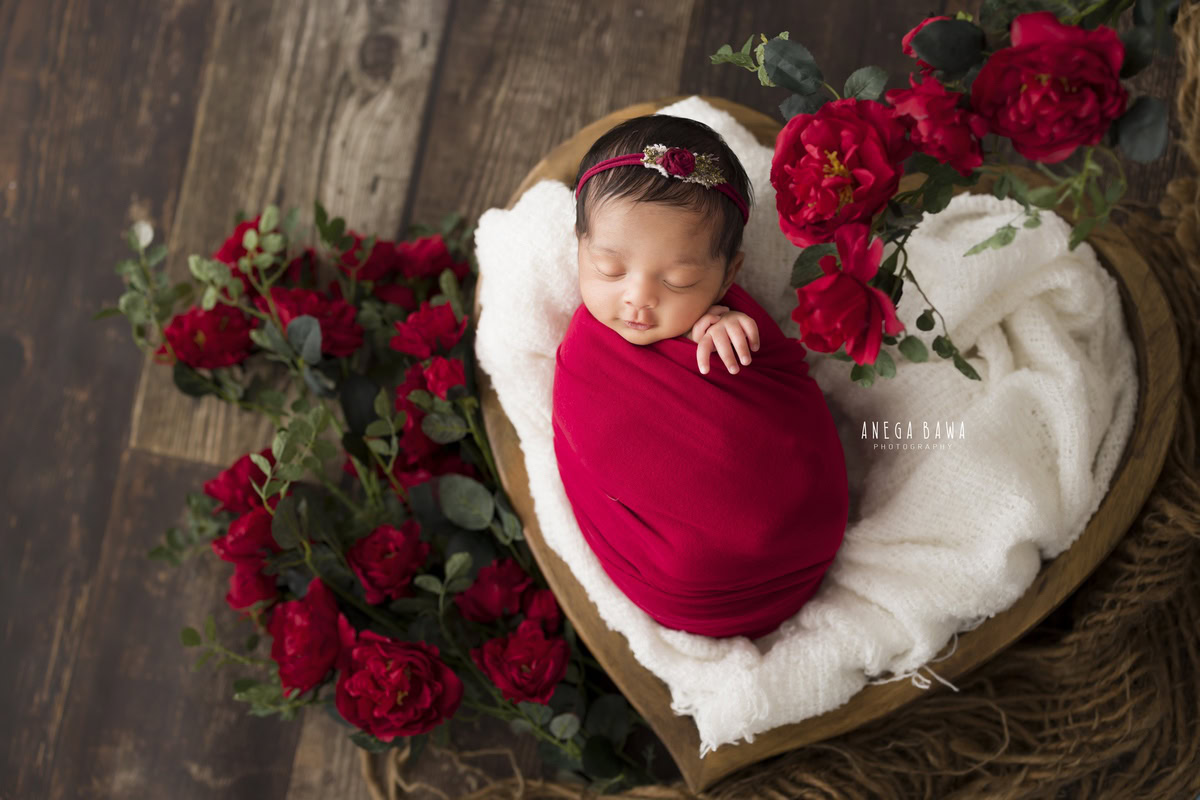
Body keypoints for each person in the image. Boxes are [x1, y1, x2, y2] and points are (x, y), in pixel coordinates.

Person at [553, 113, 849, 640]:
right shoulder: (585, 355)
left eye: (679, 279)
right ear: (579, 246)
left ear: (727, 276)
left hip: (797, 533)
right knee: (689, 560)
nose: (638, 297)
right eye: (610, 269)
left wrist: (728, 325)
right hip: (682, 578)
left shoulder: (720, 318)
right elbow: (588, 445)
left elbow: (775, 404)